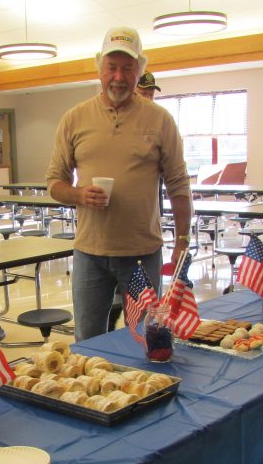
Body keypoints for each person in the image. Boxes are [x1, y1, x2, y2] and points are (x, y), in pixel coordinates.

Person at [46, 26, 192, 340]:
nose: (118, 77)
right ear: (99, 68)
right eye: (111, 67)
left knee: (146, 339)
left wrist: (182, 241)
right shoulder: (74, 118)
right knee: (88, 340)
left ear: (139, 71)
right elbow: (55, 182)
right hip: (90, 253)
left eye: (128, 68)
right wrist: (80, 195)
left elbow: (178, 185)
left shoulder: (160, 119)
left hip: (142, 253)